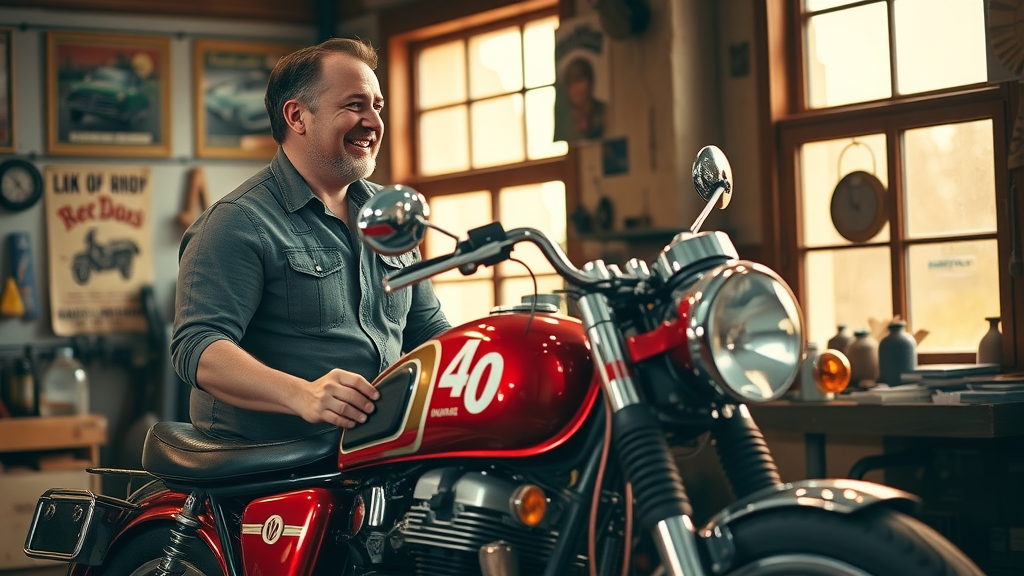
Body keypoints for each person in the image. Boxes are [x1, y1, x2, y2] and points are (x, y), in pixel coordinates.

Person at [171, 38, 450, 441]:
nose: (373, 121)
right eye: (355, 105)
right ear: (297, 117)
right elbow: (198, 347)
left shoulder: (389, 215)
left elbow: (428, 330)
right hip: (266, 467)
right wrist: (303, 394)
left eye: (377, 106)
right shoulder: (237, 221)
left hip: (374, 447)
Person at [554, 56, 606, 142]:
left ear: (590, 82)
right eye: (570, 83)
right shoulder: (564, 118)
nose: (575, 89)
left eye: (579, 81)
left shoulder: (602, 111)